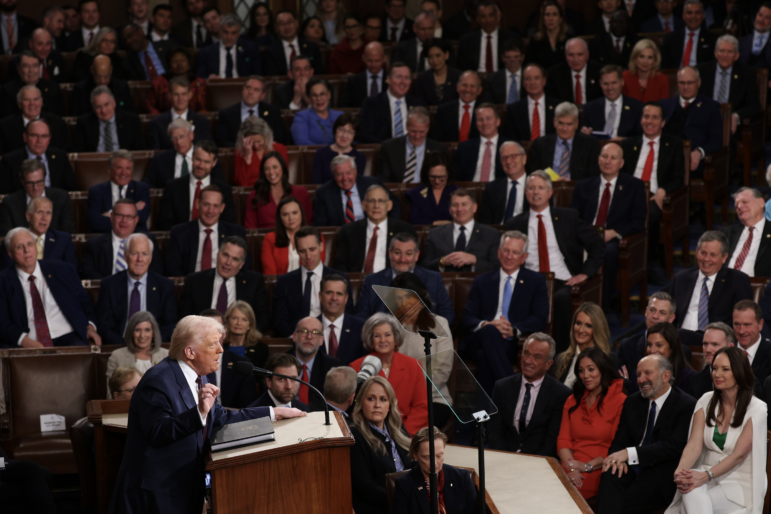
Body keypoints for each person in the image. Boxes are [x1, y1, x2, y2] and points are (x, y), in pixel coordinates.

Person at [109, 316, 306, 514]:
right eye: (213, 344)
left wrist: (273, 412)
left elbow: (220, 417)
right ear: (190, 352)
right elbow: (158, 432)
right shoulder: (158, 380)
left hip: (182, 491)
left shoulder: (199, 376)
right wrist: (199, 412)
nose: (221, 349)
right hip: (154, 497)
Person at [507, 170, 606, 348]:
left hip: (563, 281)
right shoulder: (515, 223)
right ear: (526, 193)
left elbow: (598, 245)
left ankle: (562, 354)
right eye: (531, 188)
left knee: (561, 298)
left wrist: (584, 273)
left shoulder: (569, 217)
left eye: (540, 188)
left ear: (550, 192)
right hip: (528, 281)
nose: (536, 192)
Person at [665, 346, 767, 514]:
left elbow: (738, 455)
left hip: (739, 482)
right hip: (706, 475)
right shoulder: (705, 400)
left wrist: (706, 476)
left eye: (725, 369)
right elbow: (694, 445)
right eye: (714, 368)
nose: (717, 374)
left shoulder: (757, 409)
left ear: (739, 372)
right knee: (690, 487)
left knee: (690, 495)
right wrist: (681, 472)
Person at [595, 354, 697, 514]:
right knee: (610, 475)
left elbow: (672, 446)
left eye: (647, 373)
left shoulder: (686, 405)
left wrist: (628, 454)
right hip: (631, 465)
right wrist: (617, 459)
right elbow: (620, 440)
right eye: (638, 375)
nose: (641, 380)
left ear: (666, 376)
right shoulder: (632, 402)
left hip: (660, 471)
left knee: (621, 503)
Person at [460, 230, 549, 393]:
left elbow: (540, 317)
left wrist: (513, 330)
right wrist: (487, 324)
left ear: (524, 257)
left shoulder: (535, 281)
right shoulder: (482, 280)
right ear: (499, 252)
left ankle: (488, 408)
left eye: (516, 252)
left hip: (511, 343)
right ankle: (515, 391)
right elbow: (467, 319)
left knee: (483, 356)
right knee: (490, 331)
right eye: (506, 250)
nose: (509, 256)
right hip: (478, 338)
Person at [569, 142, 647, 307]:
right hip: (586, 236)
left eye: (613, 158)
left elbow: (639, 221)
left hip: (612, 239)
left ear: (621, 163)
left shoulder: (634, 186)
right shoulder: (583, 185)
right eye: (604, 156)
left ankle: (599, 307)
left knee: (607, 252)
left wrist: (615, 232)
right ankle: (570, 302)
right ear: (599, 159)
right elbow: (573, 218)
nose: (608, 161)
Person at [0, 227, 101, 348]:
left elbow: (85, 302)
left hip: (70, 338)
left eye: (30, 244)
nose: (27, 250)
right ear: (10, 253)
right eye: (19, 247)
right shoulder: (3, 281)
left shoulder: (63, 270)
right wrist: (23, 340)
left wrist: (90, 327)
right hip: (29, 343)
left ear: (36, 246)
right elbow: (2, 321)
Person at [620, 101, 685, 278]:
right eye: (646, 116)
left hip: (654, 196)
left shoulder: (674, 144)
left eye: (655, 117)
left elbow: (678, 177)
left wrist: (663, 190)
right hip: (628, 194)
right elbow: (621, 174)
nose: (649, 121)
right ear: (641, 120)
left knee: (651, 214)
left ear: (663, 122)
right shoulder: (628, 144)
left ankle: (644, 266)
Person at [557, 347, 626, 500]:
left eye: (591, 369)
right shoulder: (572, 400)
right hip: (570, 466)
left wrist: (586, 467)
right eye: (581, 371)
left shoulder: (620, 401)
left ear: (602, 369)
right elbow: (563, 440)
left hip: (600, 468)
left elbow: (616, 448)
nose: (585, 375)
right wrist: (572, 467)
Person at [488, 332, 571, 455]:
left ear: (548, 364)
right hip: (504, 456)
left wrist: (533, 462)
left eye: (536, 357)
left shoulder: (560, 394)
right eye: (526, 353)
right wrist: (505, 457)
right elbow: (495, 430)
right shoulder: (502, 387)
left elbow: (552, 439)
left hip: (539, 459)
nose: (528, 361)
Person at [391, 272, 454, 427]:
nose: (404, 303)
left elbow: (442, 370)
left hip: (433, 398)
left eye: (408, 296)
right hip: (396, 400)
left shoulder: (439, 324)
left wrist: (414, 395)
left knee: (408, 429)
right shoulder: (392, 326)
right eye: (399, 298)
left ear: (419, 295)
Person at [669, 231, 753, 347]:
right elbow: (670, 315)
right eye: (703, 253)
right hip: (679, 341)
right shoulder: (681, 279)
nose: (706, 259)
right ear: (697, 252)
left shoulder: (737, 280)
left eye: (713, 255)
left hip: (716, 341)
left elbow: (744, 318)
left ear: (724, 258)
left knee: (679, 334)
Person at [349, 313, 428, 435]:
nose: (382, 340)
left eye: (387, 335)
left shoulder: (414, 365)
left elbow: (421, 407)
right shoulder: (356, 367)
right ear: (370, 339)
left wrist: (401, 434)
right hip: (369, 433)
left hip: (406, 433)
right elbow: (354, 408)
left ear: (396, 338)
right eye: (377, 336)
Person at [97, 233, 177, 346]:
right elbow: (105, 326)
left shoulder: (165, 286)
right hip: (120, 346)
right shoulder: (109, 285)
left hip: (153, 347)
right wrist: (125, 348)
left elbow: (169, 325)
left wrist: (150, 346)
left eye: (144, 254)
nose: (140, 259)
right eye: (134, 253)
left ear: (150, 258)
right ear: (125, 256)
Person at [272, 226, 353, 337]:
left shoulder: (340, 279)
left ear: (321, 246)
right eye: (303, 251)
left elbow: (348, 315)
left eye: (312, 249)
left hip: (330, 336)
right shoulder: (284, 282)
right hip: (296, 338)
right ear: (297, 251)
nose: (308, 256)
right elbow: (279, 320)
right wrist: (296, 337)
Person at [178, 237, 270, 333]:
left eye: (235, 259)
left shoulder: (254, 282)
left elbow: (263, 320)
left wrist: (244, 336)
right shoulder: (195, 281)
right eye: (225, 255)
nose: (228, 263)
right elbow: (185, 318)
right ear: (218, 254)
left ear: (241, 264)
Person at [357, 232, 454, 322]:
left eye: (408, 254)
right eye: (397, 253)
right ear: (390, 253)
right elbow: (361, 316)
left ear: (416, 255)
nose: (402, 259)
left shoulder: (433, 279)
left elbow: (447, 314)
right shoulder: (372, 281)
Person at [349, 376, 412, 514]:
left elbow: (414, 466)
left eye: (383, 399)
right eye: (371, 399)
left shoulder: (398, 428)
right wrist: (403, 499)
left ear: (390, 405)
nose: (377, 405)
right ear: (361, 402)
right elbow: (365, 488)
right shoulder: (355, 436)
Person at [164, 184, 245, 277]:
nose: (210, 211)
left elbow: (243, 267)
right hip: (191, 283)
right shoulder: (179, 232)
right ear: (197, 204)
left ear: (222, 208)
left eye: (215, 206)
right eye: (206, 205)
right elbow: (172, 269)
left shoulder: (236, 233)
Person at [392, 426, 477, 514]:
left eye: (439, 456)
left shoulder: (462, 478)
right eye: (427, 458)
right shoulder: (404, 485)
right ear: (415, 455)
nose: (435, 463)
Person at [334, 185, 417, 273]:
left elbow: (413, 264)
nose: (376, 206)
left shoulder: (405, 230)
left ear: (389, 205)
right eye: (371, 201)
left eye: (381, 201)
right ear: (364, 205)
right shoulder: (349, 231)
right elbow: (341, 266)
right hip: (358, 280)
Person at [157, 141, 236, 230]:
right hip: (182, 236)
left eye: (206, 162)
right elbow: (165, 225)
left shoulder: (224, 190)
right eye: (198, 160)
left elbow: (228, 225)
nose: (201, 166)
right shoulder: (173, 187)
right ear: (192, 157)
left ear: (214, 163)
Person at [660, 66, 723, 177]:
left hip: (693, 162)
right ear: (677, 84)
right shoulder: (665, 105)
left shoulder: (711, 107)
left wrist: (700, 152)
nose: (686, 87)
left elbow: (716, 139)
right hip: (665, 158)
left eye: (690, 83)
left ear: (698, 82)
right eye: (682, 83)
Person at [420, 188, 501, 272]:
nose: (459, 209)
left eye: (464, 204)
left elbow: (497, 266)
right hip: (443, 279)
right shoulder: (434, 234)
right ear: (450, 209)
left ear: (474, 207)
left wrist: (475, 260)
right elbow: (424, 266)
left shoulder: (491, 234)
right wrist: (442, 262)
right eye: (455, 205)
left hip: (479, 279)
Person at [80, 199, 163, 279]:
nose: (124, 220)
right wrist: (112, 285)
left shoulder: (147, 241)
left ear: (136, 220)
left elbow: (156, 271)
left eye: (129, 216)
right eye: (120, 215)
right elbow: (88, 272)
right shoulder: (94, 244)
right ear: (111, 216)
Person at [699, 35, 760, 138]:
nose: (725, 55)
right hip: (705, 120)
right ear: (715, 53)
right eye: (721, 51)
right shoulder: (702, 71)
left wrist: (736, 115)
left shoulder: (747, 73)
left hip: (730, 124)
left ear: (737, 55)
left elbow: (754, 105)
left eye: (730, 52)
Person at [313, 155, 401, 226]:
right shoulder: (324, 193)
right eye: (339, 174)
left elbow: (394, 204)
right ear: (334, 175)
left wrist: (388, 227)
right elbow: (320, 225)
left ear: (355, 171)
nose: (345, 178)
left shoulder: (372, 183)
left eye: (348, 173)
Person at [527, 101, 601, 181]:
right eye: (561, 123)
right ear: (554, 122)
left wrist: (571, 184)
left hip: (579, 187)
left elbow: (594, 177)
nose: (564, 128)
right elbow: (533, 175)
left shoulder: (591, 144)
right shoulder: (540, 144)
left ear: (576, 124)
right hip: (548, 187)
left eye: (569, 124)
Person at [0, 119, 76, 195]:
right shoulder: (10, 160)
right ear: (25, 137)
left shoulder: (60, 157)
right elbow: (5, 194)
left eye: (44, 136)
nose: (39, 141)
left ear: (49, 139)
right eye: (34, 135)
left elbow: (72, 189)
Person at [0, 159, 75, 236]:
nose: (35, 188)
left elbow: (68, 233)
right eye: (30, 183)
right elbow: (6, 237)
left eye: (39, 182)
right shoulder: (10, 203)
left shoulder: (61, 198)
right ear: (23, 182)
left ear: (44, 179)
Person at [144, 119, 225, 188]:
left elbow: (219, 185)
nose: (179, 142)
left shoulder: (208, 157)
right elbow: (148, 185)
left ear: (191, 135)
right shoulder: (160, 160)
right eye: (174, 138)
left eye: (182, 136)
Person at [105, 311, 170, 397]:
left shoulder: (167, 355)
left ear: (153, 333)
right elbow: (110, 394)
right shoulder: (117, 356)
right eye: (137, 330)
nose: (142, 335)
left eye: (147, 330)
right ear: (131, 332)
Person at [378, 107, 449, 184]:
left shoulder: (439, 150)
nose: (417, 136)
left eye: (422, 132)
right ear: (407, 126)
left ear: (427, 128)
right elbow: (384, 181)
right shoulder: (389, 148)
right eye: (413, 131)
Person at [359, 62, 426, 143]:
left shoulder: (418, 105)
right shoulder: (372, 103)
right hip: (383, 149)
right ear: (388, 79)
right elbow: (366, 135)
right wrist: (391, 147)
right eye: (398, 77)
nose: (403, 82)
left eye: (407, 78)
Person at [244, 152, 312, 229]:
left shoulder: (301, 193)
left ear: (282, 168)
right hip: (265, 236)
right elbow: (250, 227)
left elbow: (307, 225)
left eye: (275, 167)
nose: (271, 172)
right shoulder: (254, 196)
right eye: (267, 169)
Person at [87, 150, 151, 233]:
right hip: (107, 236)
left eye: (128, 168)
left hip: (135, 236)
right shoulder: (96, 191)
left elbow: (142, 217)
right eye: (119, 168)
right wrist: (133, 209)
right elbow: (95, 222)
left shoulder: (141, 189)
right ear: (109, 170)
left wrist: (108, 214)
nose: (123, 173)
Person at [216, 76, 286, 147]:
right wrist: (243, 147)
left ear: (263, 95)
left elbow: (280, 139)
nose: (250, 92)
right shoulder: (226, 114)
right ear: (243, 90)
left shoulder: (273, 112)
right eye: (248, 88)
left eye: (256, 90)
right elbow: (221, 142)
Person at [555, 303, 616, 385]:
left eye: (588, 326)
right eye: (578, 323)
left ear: (597, 329)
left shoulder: (608, 360)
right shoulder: (562, 360)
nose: (581, 330)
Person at [10, 196, 77, 270]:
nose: (44, 218)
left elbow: (72, 271)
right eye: (39, 212)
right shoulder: (13, 241)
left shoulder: (63, 240)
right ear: (28, 216)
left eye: (48, 213)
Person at [260, 198, 324, 275]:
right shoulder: (270, 239)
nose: (291, 218)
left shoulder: (315, 236)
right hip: (281, 282)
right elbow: (270, 274)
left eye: (294, 213)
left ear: (301, 214)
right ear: (280, 218)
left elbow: (317, 267)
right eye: (285, 214)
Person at [287, 316, 342, 403]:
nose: (309, 336)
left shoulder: (333, 366)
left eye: (315, 332)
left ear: (322, 340)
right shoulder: (279, 363)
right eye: (304, 331)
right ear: (294, 336)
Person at [0, 85, 69, 155]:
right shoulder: (4, 126)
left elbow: (64, 152)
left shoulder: (57, 123)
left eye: (36, 99)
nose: (32, 103)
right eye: (26, 99)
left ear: (41, 102)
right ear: (19, 104)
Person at [579, 65, 644, 139]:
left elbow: (641, 137)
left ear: (622, 82)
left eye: (614, 83)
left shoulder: (637, 107)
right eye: (605, 84)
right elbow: (581, 133)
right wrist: (584, 132)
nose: (610, 88)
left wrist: (625, 141)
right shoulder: (590, 108)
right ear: (600, 83)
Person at [147, 77, 212, 150]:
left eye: (184, 94)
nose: (180, 98)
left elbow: (208, 151)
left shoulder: (202, 122)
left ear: (190, 95)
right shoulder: (157, 124)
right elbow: (155, 153)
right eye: (176, 94)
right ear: (169, 95)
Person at [74, 86, 144, 152]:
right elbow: (80, 153)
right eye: (98, 107)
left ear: (114, 103)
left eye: (106, 104)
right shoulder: (84, 123)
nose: (103, 110)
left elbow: (140, 151)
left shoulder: (131, 120)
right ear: (93, 108)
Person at [457, 0, 518, 73]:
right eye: (483, 16)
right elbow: (461, 68)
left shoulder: (510, 38)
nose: (488, 20)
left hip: (501, 77)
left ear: (496, 16)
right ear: (478, 19)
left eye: (491, 15)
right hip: (475, 77)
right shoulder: (467, 40)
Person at [503, 63, 560, 142]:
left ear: (544, 81)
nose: (532, 82)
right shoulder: (514, 110)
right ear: (523, 83)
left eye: (537, 78)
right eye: (528, 79)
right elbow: (510, 140)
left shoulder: (558, 106)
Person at [318, 274, 366, 366]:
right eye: (329, 293)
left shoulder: (362, 328)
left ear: (346, 298)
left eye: (339, 293)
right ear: (320, 296)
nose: (334, 298)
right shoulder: (308, 327)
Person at [722, 188, 771, 277]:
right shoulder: (726, 233)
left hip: (759, 283)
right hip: (726, 282)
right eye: (736, 205)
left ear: (761, 202)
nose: (739, 207)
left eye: (745, 202)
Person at [196, 14, 261, 79]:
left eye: (233, 33)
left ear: (239, 33)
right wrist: (208, 79)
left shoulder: (250, 49)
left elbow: (258, 77)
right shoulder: (206, 53)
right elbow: (200, 79)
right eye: (225, 32)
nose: (229, 37)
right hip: (217, 85)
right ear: (220, 30)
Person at [0, 52, 63, 118]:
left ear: (39, 68)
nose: (31, 70)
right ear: (19, 69)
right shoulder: (8, 91)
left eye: (35, 66)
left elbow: (60, 118)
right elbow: (8, 121)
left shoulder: (53, 88)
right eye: (26, 66)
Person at [453, 103, 507, 181]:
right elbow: (458, 179)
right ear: (476, 123)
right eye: (480, 120)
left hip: (499, 187)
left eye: (488, 118)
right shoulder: (463, 148)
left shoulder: (510, 146)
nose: (484, 123)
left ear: (498, 121)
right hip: (470, 187)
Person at [145, 47, 207, 114]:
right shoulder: (159, 82)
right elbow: (150, 107)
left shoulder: (198, 82)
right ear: (169, 65)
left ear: (189, 63)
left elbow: (203, 108)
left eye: (182, 60)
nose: (179, 64)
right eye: (174, 61)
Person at [263, 10, 325, 76]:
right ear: (276, 28)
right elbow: (272, 77)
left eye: (289, 22)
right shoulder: (270, 51)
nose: (286, 27)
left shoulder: (312, 47)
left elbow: (319, 74)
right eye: (281, 24)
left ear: (296, 23)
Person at [660, 0, 718, 69]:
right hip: (676, 74)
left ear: (703, 16)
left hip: (701, 74)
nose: (693, 16)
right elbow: (664, 66)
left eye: (697, 13)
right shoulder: (671, 38)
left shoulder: (712, 39)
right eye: (689, 13)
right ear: (683, 16)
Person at [311, 114, 366, 184]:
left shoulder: (360, 157)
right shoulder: (321, 153)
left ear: (354, 136)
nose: (344, 135)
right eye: (341, 130)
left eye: (350, 132)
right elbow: (316, 183)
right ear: (335, 131)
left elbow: (357, 184)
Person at [545, 38, 602, 106]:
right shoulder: (555, 74)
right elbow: (552, 101)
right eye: (571, 55)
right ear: (565, 55)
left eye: (580, 54)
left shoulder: (599, 72)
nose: (575, 59)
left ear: (587, 55)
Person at [406, 151, 458, 226]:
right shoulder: (416, 193)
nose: (437, 181)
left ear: (448, 174)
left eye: (441, 177)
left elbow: (464, 219)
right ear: (426, 174)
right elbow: (414, 220)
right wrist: (437, 223)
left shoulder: (458, 192)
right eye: (432, 176)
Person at [233, 117, 288, 188]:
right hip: (251, 191)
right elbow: (242, 184)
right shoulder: (239, 152)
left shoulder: (279, 149)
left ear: (266, 136)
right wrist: (248, 157)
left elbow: (284, 178)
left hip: (274, 190)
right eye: (252, 142)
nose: (256, 146)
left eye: (259, 141)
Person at [685, 322, 734, 400]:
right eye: (705, 344)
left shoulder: (744, 378)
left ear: (730, 347)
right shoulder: (694, 381)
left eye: (715, 344)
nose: (708, 350)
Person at [430, 71, 483, 143]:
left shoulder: (487, 111)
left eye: (472, 86)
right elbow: (437, 141)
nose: (468, 90)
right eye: (464, 85)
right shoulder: (443, 110)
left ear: (479, 90)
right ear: (458, 87)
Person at [733, 300, 771, 397]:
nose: (741, 331)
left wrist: (741, 365)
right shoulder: (725, 352)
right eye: (737, 324)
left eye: (747, 325)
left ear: (760, 324)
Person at [290, 78, 342, 146]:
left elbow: (352, 139)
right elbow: (301, 141)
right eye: (314, 95)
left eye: (322, 94)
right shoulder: (301, 117)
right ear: (309, 98)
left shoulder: (340, 116)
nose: (319, 98)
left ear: (329, 95)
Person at [646, 322, 696, 391]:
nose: (652, 351)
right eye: (649, 345)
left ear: (672, 347)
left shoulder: (689, 377)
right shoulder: (639, 374)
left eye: (659, 345)